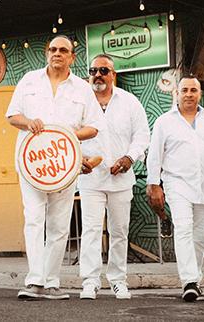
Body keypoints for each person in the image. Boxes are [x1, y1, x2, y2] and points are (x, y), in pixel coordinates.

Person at [6, 35, 103, 300]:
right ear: (46, 53)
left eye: (63, 50)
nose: (57, 53)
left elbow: (94, 126)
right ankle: (35, 280)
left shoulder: (82, 89)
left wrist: (67, 135)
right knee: (34, 219)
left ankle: (51, 282)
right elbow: (12, 115)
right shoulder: (28, 80)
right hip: (31, 165)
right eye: (52, 49)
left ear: (72, 56)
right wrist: (28, 123)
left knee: (60, 224)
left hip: (65, 165)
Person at [146, 76, 204, 302]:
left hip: (203, 185)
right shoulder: (164, 122)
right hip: (176, 184)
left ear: (200, 94)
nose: (188, 94)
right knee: (183, 228)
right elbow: (155, 155)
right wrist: (153, 184)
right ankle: (189, 281)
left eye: (193, 90)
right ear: (177, 93)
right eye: (184, 90)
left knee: (199, 236)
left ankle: (195, 281)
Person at [77, 54, 150, 300]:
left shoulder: (129, 102)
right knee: (91, 230)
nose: (98, 74)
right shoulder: (80, 103)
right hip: (90, 178)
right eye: (93, 70)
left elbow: (142, 135)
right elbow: (68, 136)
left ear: (113, 74)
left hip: (120, 179)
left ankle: (118, 280)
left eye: (104, 70)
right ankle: (90, 281)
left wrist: (130, 158)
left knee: (119, 230)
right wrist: (79, 161)